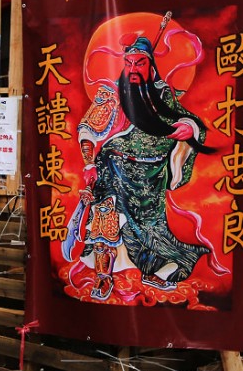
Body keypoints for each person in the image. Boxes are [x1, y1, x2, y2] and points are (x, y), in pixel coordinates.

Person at [76, 34, 218, 301]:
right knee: (106, 217)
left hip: (150, 175)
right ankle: (104, 277)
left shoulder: (163, 93)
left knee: (151, 228)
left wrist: (188, 129)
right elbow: (88, 130)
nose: (133, 69)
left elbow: (187, 121)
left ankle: (151, 270)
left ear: (151, 65)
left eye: (139, 63)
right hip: (114, 165)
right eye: (128, 63)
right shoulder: (112, 94)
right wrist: (88, 164)